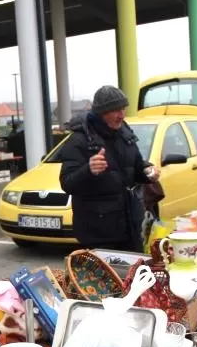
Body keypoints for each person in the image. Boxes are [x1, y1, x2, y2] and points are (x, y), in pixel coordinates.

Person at [59, 85, 161, 253]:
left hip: (130, 227)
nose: (121, 115)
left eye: (123, 109)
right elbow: (67, 183)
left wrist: (148, 171)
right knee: (106, 279)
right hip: (98, 233)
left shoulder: (124, 132)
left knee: (135, 276)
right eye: (115, 110)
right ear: (101, 113)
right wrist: (88, 170)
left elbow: (136, 166)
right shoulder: (79, 140)